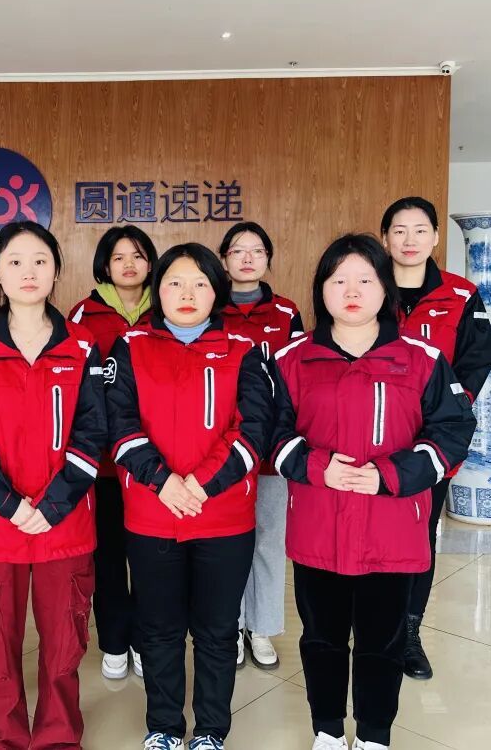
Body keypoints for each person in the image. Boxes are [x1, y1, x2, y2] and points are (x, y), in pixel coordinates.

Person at [266, 234, 476, 750]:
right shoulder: (292, 359)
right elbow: (269, 431)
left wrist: (392, 475)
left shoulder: (422, 359)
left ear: (386, 289)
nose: (352, 291)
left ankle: (375, 735)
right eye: (339, 280)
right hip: (319, 526)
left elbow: (453, 431)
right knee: (322, 638)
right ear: (322, 290)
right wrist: (315, 466)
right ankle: (327, 731)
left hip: (392, 530)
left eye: (365, 279)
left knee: (383, 640)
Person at [0, 221, 107, 750]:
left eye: (40, 261)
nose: (28, 272)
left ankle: (58, 738)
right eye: (14, 261)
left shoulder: (82, 347)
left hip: (66, 525)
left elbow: (93, 432)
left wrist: (52, 505)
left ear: (57, 271)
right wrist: (11, 503)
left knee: (64, 646)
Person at [106, 242, 272, 750]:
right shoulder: (129, 347)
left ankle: (211, 731)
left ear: (216, 291)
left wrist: (200, 484)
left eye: (200, 283)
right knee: (158, 629)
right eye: (175, 282)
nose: (187, 293)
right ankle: (163, 727)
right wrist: (163, 481)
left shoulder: (243, 350)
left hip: (223, 517)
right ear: (157, 290)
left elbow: (253, 429)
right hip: (152, 514)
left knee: (218, 631)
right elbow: (118, 423)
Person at [380, 197, 491, 680]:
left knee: (417, 535)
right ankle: (370, 627)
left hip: (432, 444)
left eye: (420, 230)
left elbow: (475, 363)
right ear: (384, 237)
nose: (409, 240)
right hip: (372, 438)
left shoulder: (461, 295)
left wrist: (443, 417)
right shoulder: (365, 285)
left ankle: (408, 632)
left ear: (435, 237)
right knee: (367, 531)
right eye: (399, 230)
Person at [68, 224, 157, 680]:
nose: (129, 264)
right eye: (119, 256)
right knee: (106, 556)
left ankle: (144, 639)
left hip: (153, 463)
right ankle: (115, 641)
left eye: (138, 255)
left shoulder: (166, 309)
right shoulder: (82, 315)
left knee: (148, 556)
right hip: (101, 465)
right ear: (105, 264)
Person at [217, 221, 303, 671]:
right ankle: (229, 625)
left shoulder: (286, 313)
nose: (247, 258)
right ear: (224, 259)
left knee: (269, 539)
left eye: (257, 251)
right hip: (224, 448)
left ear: (268, 258)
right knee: (229, 542)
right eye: (238, 250)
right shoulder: (210, 307)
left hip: (271, 449)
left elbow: (298, 379)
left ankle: (262, 627)